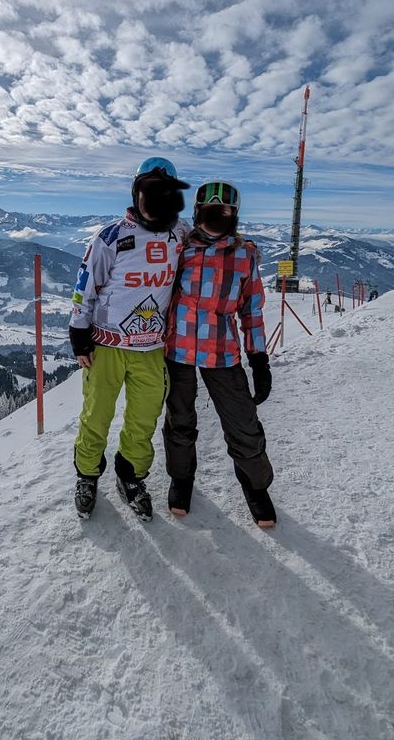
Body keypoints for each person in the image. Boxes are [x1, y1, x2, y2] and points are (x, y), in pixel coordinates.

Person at [69, 157, 190, 521]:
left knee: (143, 419)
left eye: (165, 191)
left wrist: (243, 245)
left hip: (151, 349)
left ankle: (130, 476)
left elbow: (213, 245)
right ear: (136, 193)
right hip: (106, 346)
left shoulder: (181, 234)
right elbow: (84, 285)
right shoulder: (110, 237)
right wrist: (78, 332)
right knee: (96, 415)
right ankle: (87, 475)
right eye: (150, 190)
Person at [163, 180, 276, 527]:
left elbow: (252, 308)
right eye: (211, 208)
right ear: (197, 212)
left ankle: (255, 486)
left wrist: (258, 357)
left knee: (243, 423)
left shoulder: (244, 255)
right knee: (179, 421)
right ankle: (181, 478)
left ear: (234, 215)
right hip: (177, 349)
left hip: (222, 352)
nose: (218, 213)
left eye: (225, 209)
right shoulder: (180, 248)